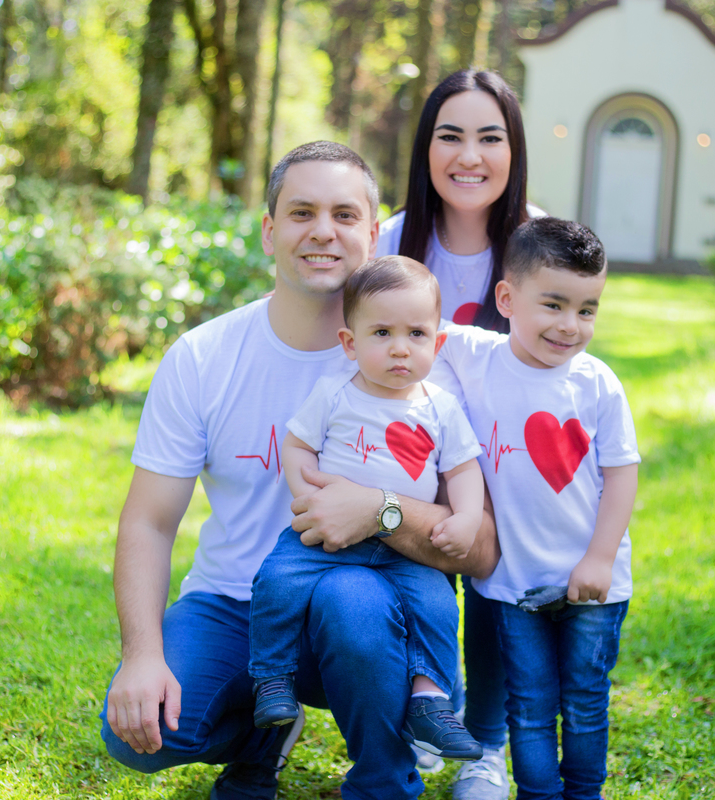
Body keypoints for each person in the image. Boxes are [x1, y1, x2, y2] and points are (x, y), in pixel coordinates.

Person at [100, 141, 500, 800]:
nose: (322, 230)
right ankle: (265, 733)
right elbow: (148, 521)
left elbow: (482, 548)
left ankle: (383, 777)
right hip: (233, 605)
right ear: (269, 231)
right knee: (140, 735)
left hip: (373, 607)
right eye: (301, 212)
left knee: (352, 600)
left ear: (373, 235)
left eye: (345, 214)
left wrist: (380, 510)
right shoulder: (203, 358)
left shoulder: (423, 364)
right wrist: (142, 657)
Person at [432, 217, 640, 800]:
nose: (570, 326)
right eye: (553, 304)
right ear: (507, 298)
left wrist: (599, 558)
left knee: (584, 700)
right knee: (528, 704)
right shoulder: (477, 355)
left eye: (587, 309)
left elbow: (623, 473)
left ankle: (584, 794)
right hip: (514, 586)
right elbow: (414, 326)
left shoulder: (597, 384)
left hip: (594, 585)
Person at [247, 255, 485, 764]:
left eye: (417, 335)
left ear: (437, 343)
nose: (400, 348)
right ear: (350, 344)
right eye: (381, 333)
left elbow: (463, 471)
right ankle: (272, 677)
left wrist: (464, 517)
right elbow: (296, 445)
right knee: (276, 580)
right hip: (327, 537)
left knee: (439, 604)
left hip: (404, 550)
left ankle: (430, 700)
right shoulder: (334, 393)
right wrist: (306, 495)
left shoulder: (440, 407)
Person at [376, 67, 539, 797]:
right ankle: (423, 717)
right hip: (404, 457)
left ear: (514, 150)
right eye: (451, 136)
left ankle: (487, 746)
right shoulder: (388, 241)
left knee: (498, 592)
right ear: (425, 148)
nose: (469, 156)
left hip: (504, 462)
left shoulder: (537, 242)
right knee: (414, 584)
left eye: (489, 137)